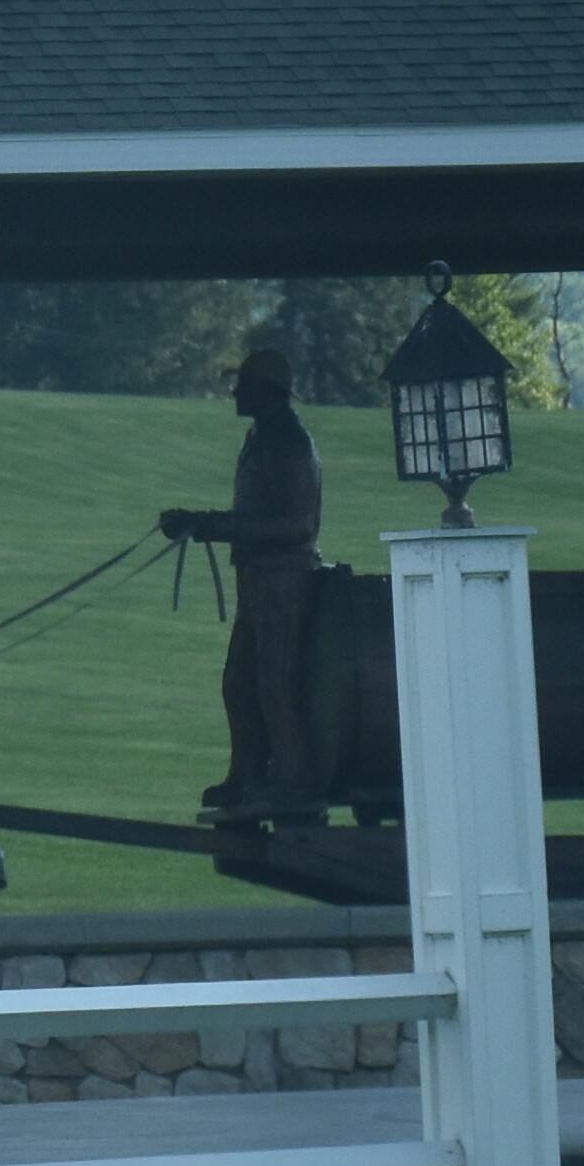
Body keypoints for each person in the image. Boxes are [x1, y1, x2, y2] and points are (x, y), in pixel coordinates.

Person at [202, 339, 329, 826]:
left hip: (285, 581)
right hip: (256, 582)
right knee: (239, 682)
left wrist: (218, 526)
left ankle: (294, 779)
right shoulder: (261, 437)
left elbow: (298, 526)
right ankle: (248, 774)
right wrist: (210, 524)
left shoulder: (292, 445)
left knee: (276, 681)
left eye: (244, 386)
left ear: (267, 392)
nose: (235, 393)